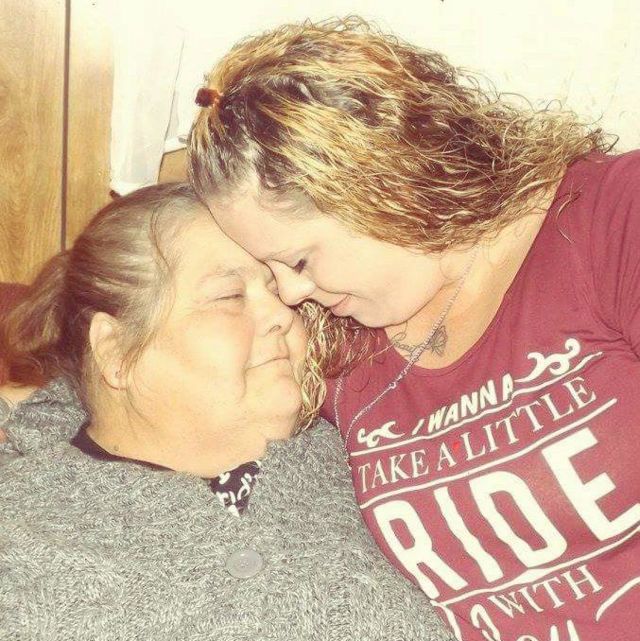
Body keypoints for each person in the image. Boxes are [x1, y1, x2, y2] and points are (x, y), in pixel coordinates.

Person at [187, 17, 640, 641]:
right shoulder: (337, 337)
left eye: (298, 261)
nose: (289, 295)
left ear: (381, 187)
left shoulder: (608, 218)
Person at [0, 183, 451, 641]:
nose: (282, 315)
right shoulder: (19, 530)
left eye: (278, 292)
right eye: (230, 296)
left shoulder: (366, 443)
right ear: (115, 350)